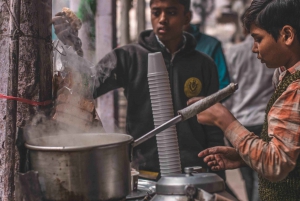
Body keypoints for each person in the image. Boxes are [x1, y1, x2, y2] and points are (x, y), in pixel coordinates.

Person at [52, 0, 226, 182]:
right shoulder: (129, 57)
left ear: (187, 17)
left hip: (193, 173)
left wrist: (217, 179)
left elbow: (213, 128)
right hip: (145, 174)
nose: (162, 19)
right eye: (156, 12)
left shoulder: (204, 65)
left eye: (172, 12)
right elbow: (87, 87)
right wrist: (72, 48)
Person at [189, 0, 300, 200]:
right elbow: (291, 153)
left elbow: (276, 164)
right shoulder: (284, 75)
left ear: (287, 35)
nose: (254, 49)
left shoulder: (296, 89)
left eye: (258, 39)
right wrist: (243, 157)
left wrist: (224, 120)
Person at [223, 25, 274, 201]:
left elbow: (227, 90)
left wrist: (227, 121)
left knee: (251, 179)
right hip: (263, 120)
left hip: (239, 122)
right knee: (261, 179)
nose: (255, 48)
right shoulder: (273, 52)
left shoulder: (233, 52)